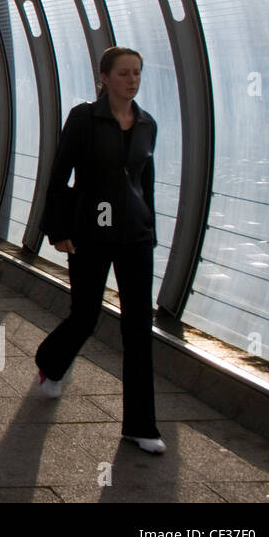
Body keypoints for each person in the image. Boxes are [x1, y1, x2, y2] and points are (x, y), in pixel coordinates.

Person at [34, 46, 165, 454]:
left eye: (137, 73)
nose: (132, 80)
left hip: (135, 237)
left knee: (138, 329)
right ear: (105, 77)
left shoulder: (146, 125)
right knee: (85, 316)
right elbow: (60, 173)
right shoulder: (84, 118)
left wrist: (151, 227)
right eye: (124, 73)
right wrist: (56, 228)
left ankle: (141, 427)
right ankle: (50, 361)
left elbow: (146, 182)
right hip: (92, 232)